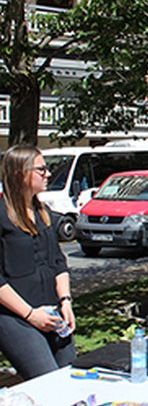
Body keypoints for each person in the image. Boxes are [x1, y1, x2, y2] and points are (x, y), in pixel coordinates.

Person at [0, 145, 76, 379]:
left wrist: (65, 301)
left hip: (52, 312)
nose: (48, 174)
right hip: (16, 317)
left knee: (72, 377)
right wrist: (31, 315)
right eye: (41, 170)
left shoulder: (44, 213)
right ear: (19, 173)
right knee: (49, 383)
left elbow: (58, 263)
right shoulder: (2, 215)